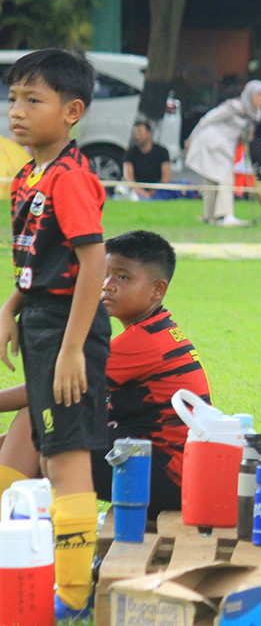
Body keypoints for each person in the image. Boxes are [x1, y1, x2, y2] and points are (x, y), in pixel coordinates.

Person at [0, 48, 112, 620]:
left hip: (71, 329)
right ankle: (45, 569)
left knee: (66, 461)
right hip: (42, 322)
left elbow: (94, 264)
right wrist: (10, 309)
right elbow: (40, 259)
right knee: (42, 455)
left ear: (72, 112)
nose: (16, 111)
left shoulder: (69, 178)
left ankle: (71, 595)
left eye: (32, 100)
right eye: (12, 98)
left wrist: (71, 350)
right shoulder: (28, 176)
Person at [0, 230, 212, 517]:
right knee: (28, 435)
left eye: (123, 277)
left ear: (157, 290)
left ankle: (7, 518)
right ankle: (16, 516)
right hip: (162, 466)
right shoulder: (154, 330)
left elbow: (47, 388)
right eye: (105, 274)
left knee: (39, 416)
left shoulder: (143, 342)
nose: (107, 286)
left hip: (167, 476)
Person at [184, 80, 261, 227]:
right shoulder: (234, 106)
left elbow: (244, 134)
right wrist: (192, 137)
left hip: (226, 145)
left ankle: (210, 216)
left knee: (213, 179)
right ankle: (225, 215)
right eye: (259, 95)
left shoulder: (255, 113)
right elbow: (209, 118)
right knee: (225, 176)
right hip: (212, 142)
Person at [123, 120, 170, 199]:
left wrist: (152, 192)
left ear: (149, 133)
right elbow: (128, 178)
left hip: (158, 190)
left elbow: (165, 178)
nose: (137, 136)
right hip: (137, 190)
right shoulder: (130, 153)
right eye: (135, 133)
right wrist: (140, 192)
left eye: (140, 132)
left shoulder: (162, 152)